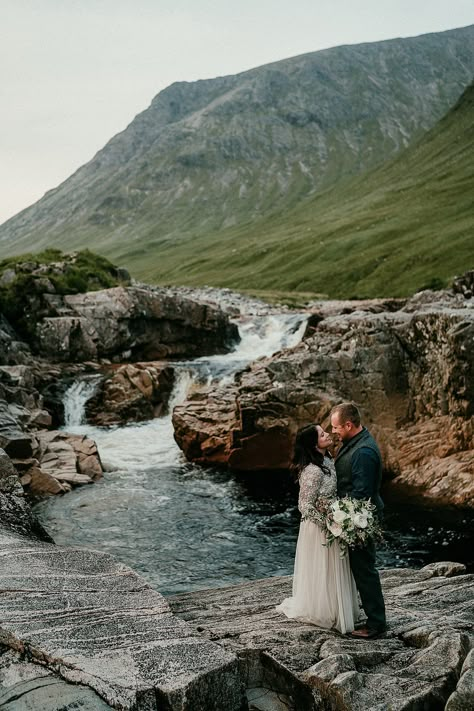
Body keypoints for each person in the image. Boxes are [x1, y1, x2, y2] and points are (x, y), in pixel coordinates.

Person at [276, 424, 359, 634]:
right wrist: (328, 523)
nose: (327, 434)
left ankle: (336, 608)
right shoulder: (312, 471)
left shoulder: (328, 460)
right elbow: (304, 506)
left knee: (335, 568)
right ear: (314, 444)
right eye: (322, 434)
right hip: (318, 527)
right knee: (323, 567)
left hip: (334, 520)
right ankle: (323, 610)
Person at [330, 402, 387, 639]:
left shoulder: (363, 452)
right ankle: (370, 616)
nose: (333, 431)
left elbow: (361, 494)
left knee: (365, 570)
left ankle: (376, 625)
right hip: (354, 516)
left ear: (349, 425)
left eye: (335, 427)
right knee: (360, 569)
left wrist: (336, 513)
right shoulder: (353, 442)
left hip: (360, 519)